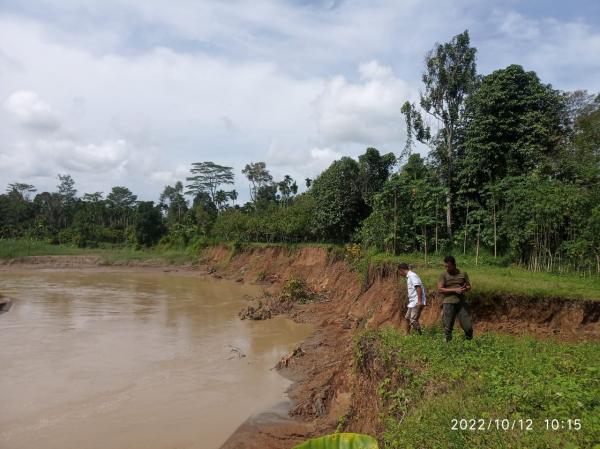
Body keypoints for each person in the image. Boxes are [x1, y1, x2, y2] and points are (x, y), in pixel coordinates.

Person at [437, 255, 473, 342]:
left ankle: (469, 344)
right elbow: (440, 289)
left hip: (462, 303)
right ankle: (447, 346)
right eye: (445, 266)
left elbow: (469, 286)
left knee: (468, 327)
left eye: (448, 266)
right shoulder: (443, 275)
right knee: (448, 327)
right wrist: (455, 290)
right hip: (448, 303)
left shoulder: (463, 274)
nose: (447, 268)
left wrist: (465, 288)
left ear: (454, 265)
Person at [398, 263, 426, 335]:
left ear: (401, 270)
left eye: (399, 272)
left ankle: (420, 336)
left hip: (416, 301)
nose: (400, 274)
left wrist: (419, 302)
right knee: (407, 318)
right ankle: (407, 333)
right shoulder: (409, 276)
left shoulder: (412, 276)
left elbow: (418, 287)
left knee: (413, 320)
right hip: (412, 302)